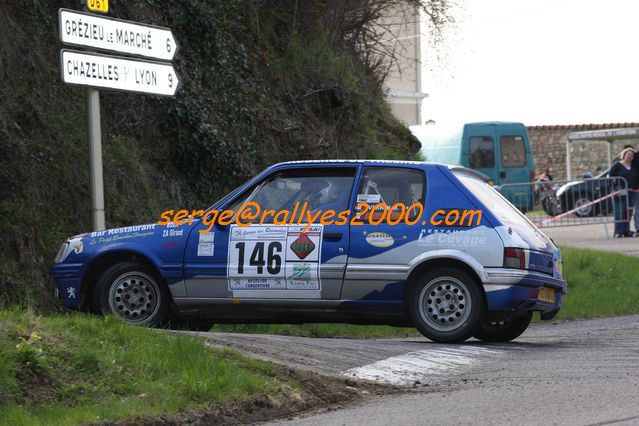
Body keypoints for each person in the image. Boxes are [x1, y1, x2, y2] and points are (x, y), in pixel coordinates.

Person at [609, 147, 638, 237]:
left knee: (628, 212)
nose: (630, 156)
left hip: (633, 191)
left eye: (632, 155)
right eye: (628, 154)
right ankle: (618, 232)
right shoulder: (617, 165)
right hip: (620, 191)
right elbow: (610, 178)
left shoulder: (634, 166)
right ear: (624, 155)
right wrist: (614, 189)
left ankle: (626, 231)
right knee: (619, 211)